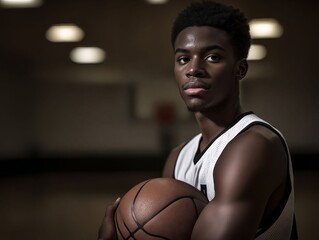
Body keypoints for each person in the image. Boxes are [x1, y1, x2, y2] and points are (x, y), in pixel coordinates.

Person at [98, 1, 297, 239]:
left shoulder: (254, 147)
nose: (193, 69)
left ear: (240, 69)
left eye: (213, 57)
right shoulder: (178, 158)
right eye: (183, 59)